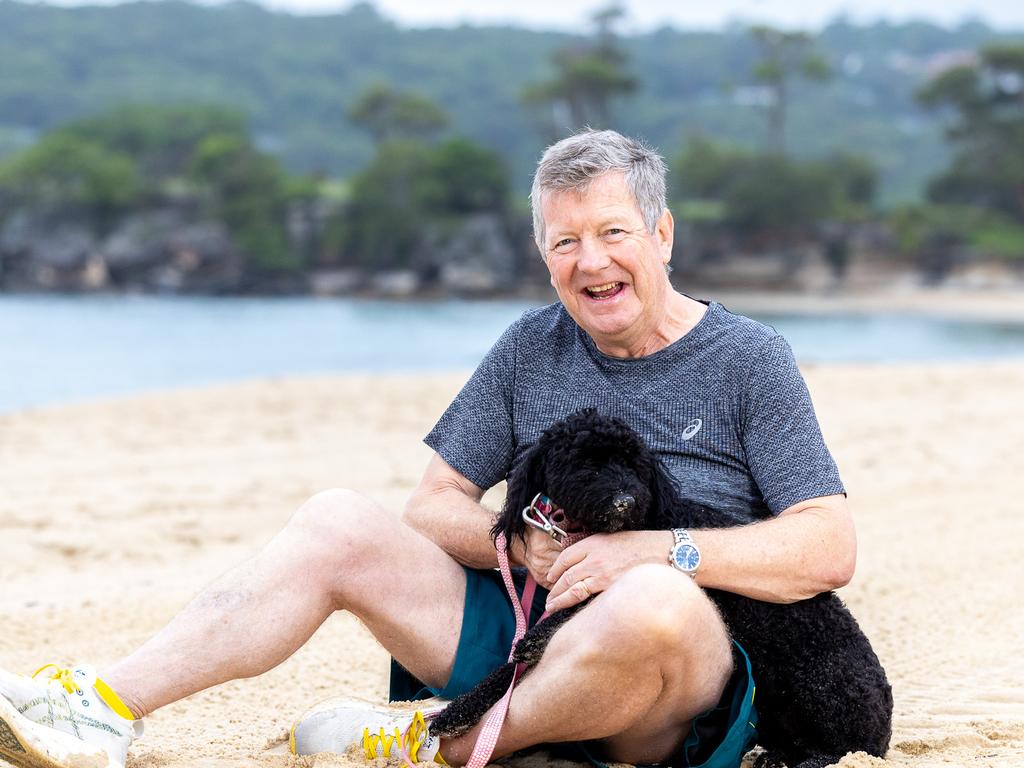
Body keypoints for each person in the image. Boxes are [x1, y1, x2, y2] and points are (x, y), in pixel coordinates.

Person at [0, 129, 853, 768]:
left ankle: (440, 740)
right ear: (542, 253)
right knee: (337, 520)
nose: (590, 260)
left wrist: (656, 551)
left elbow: (829, 544)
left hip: (665, 681)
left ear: (662, 235)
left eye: (613, 233)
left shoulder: (749, 360)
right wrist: (513, 542)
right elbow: (432, 503)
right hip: (522, 636)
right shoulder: (530, 347)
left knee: (654, 601)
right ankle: (106, 706)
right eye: (565, 241)